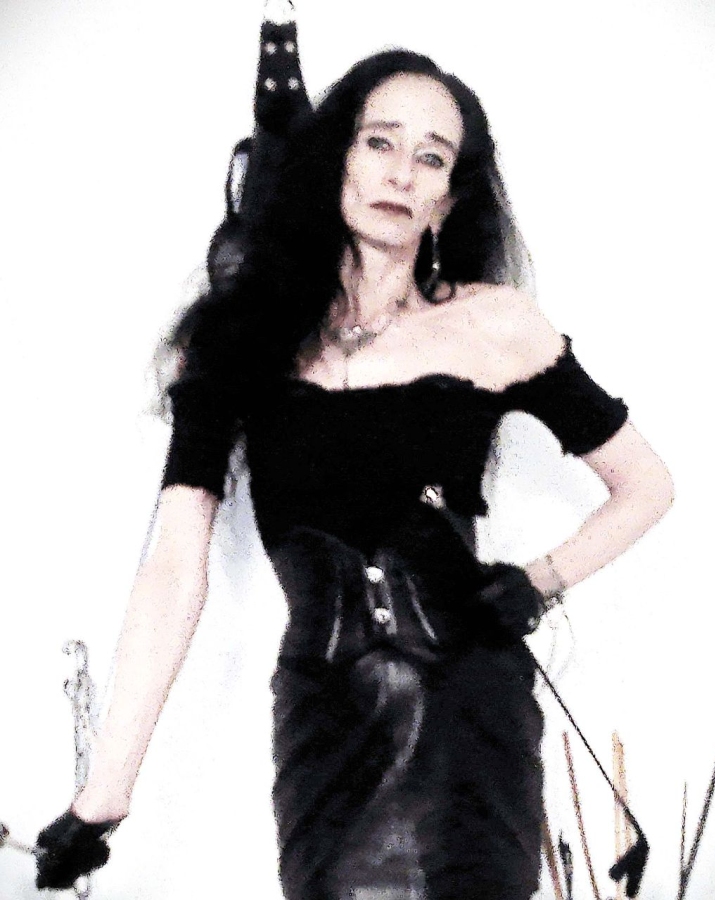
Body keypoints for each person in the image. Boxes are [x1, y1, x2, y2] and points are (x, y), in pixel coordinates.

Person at [34, 49, 674, 899]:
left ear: (448, 198)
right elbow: (173, 568)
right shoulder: (238, 339)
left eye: (431, 158)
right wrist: (104, 796)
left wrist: (540, 579)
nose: (401, 173)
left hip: (470, 725)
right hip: (327, 730)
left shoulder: (496, 327)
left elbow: (646, 484)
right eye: (380, 142)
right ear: (336, 156)